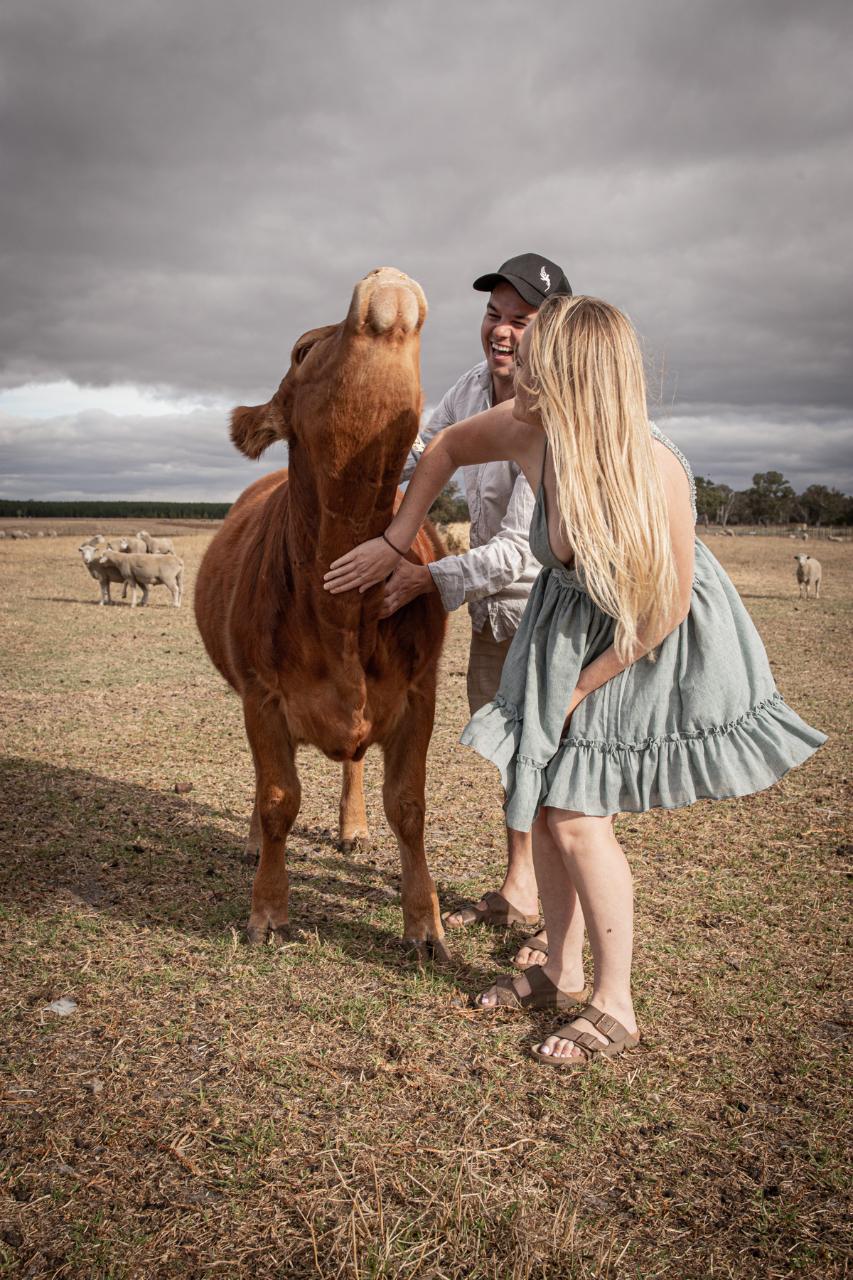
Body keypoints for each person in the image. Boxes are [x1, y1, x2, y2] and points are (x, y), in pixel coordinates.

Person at [324, 295, 826, 1068]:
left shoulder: (649, 466)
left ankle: (614, 1004)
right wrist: (397, 540)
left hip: (634, 638)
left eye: (531, 351)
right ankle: (557, 973)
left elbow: (659, 609)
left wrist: (580, 689)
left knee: (577, 818)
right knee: (541, 797)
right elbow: (446, 449)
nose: (510, 358)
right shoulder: (528, 429)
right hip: (562, 625)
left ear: (572, 373)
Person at [383, 253, 571, 965]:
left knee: (558, 769)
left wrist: (425, 580)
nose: (500, 331)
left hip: (549, 611)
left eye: (519, 321)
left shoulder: (551, 410)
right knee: (512, 759)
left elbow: (528, 551)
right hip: (493, 617)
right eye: (493, 315)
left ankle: (561, 926)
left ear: (550, 331)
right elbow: (419, 455)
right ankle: (520, 885)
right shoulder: (467, 390)